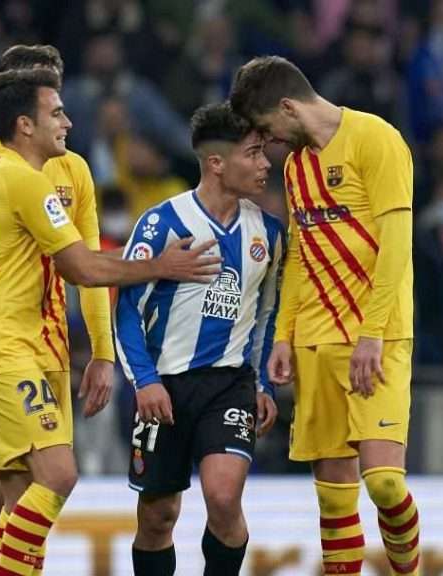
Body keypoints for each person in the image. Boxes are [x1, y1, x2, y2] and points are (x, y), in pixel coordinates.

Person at [0, 67, 220, 576]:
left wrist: (99, 349)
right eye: (57, 112)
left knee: (18, 494)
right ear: (25, 125)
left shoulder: (2, 174)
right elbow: (85, 266)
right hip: (0, 348)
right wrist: (163, 264)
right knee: (58, 474)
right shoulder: (23, 180)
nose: (68, 122)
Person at [230, 56, 421, 576]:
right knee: (335, 502)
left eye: (268, 128)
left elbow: (397, 244)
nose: (268, 143)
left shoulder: (375, 139)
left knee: (384, 483)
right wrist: (284, 335)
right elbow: (300, 251)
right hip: (316, 336)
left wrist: (373, 334)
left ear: (288, 107)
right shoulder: (297, 166)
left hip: (376, 336)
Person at [115, 103, 283, 576]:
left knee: (224, 499)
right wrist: (144, 381)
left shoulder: (269, 234)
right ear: (216, 162)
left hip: (228, 385)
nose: (265, 164)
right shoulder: (160, 223)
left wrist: (264, 385)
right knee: (157, 517)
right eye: (253, 153)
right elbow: (127, 309)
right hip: (163, 386)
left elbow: (267, 317)